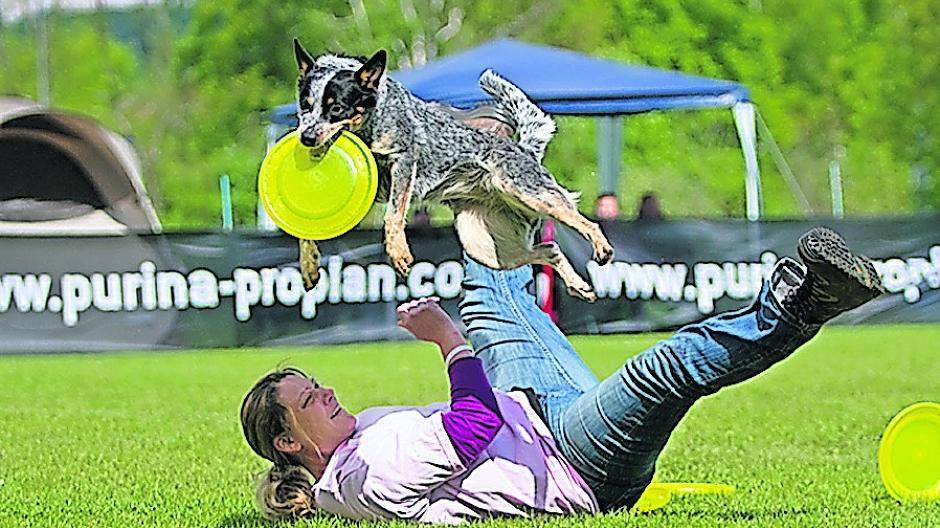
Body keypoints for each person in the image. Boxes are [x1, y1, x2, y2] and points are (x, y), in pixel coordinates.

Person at [240, 227, 884, 523]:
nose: (325, 391)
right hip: (577, 462)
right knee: (669, 367)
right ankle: (803, 304)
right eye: (309, 400)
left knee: (493, 290)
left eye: (314, 384)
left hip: (533, 408)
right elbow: (473, 425)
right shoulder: (366, 473)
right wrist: (447, 341)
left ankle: (508, 162)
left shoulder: (355, 448)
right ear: (290, 442)